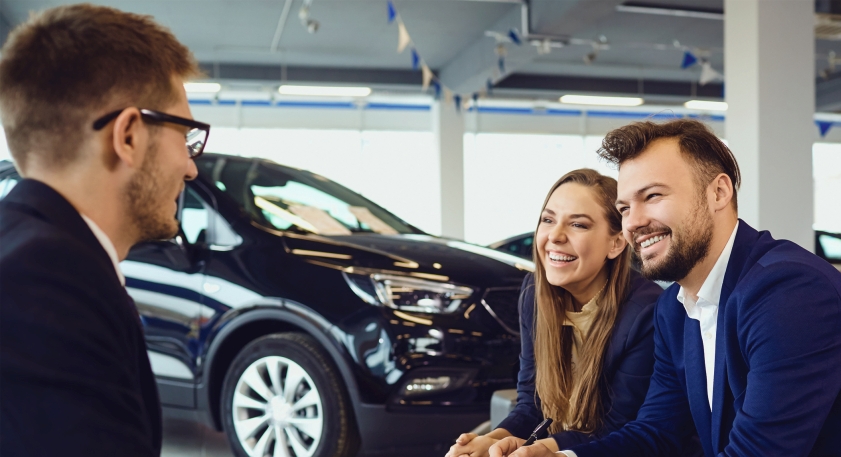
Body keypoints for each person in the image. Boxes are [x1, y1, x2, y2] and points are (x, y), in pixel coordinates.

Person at [490, 119, 841, 457]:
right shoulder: (673, 307)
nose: (635, 222)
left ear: (718, 192)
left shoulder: (789, 292)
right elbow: (656, 432)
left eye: (653, 196)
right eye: (625, 208)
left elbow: (758, 451)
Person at [0, 5, 208, 456]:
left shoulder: (23, 248)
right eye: (186, 136)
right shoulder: (49, 282)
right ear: (129, 135)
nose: (191, 167)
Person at [446, 169, 670, 457]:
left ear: (616, 243)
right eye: (548, 220)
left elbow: (619, 428)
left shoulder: (646, 312)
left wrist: (544, 449)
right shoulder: (534, 293)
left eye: (578, 224)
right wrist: (494, 439)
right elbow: (532, 404)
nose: (555, 235)